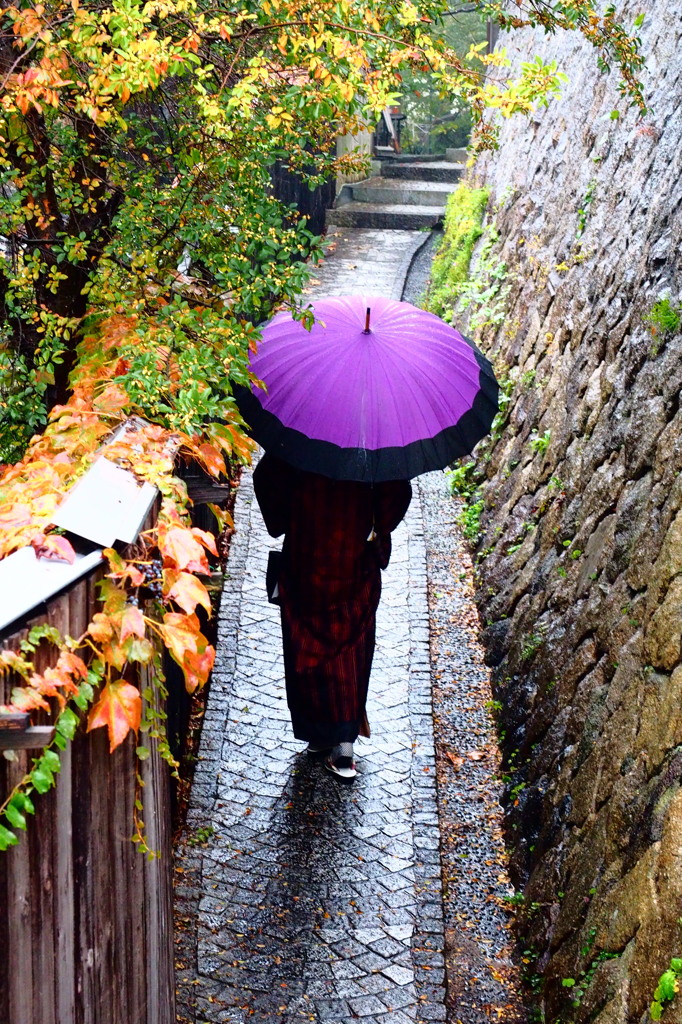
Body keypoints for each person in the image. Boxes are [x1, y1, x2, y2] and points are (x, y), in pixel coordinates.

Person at [253, 452, 412, 780]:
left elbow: (266, 479)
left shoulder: (305, 435)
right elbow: (397, 493)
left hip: (306, 555)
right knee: (350, 652)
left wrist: (287, 516)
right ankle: (342, 744)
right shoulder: (378, 444)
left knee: (304, 643)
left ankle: (318, 733)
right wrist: (378, 527)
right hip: (354, 560)